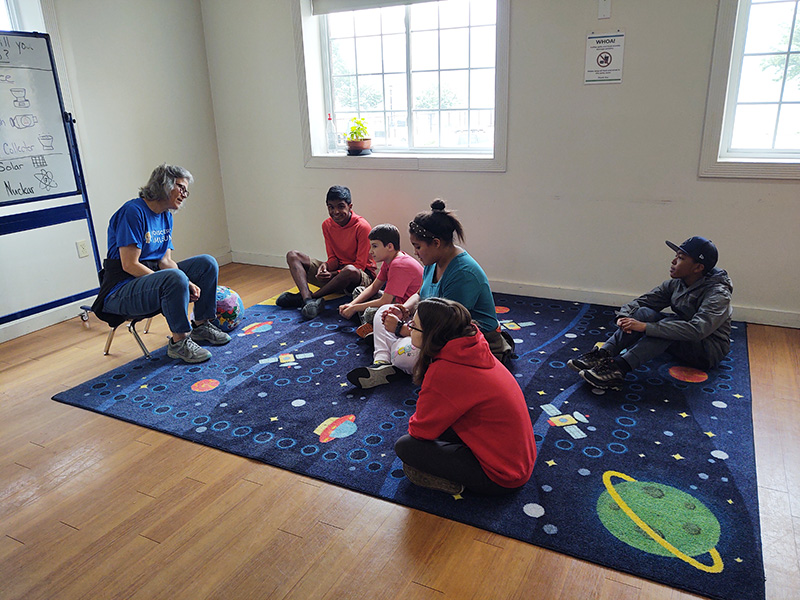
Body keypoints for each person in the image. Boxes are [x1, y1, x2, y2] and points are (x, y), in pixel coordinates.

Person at [346, 199, 513, 389]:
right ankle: (382, 363)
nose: (415, 252)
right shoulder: (433, 261)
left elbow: (448, 331)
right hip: (429, 329)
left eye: (418, 246)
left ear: (436, 243)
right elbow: (420, 294)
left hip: (464, 342)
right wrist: (403, 309)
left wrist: (401, 328)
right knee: (384, 310)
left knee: (404, 354)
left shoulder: (463, 274)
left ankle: (389, 351)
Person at [393, 298, 536, 495]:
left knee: (406, 447)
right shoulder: (473, 347)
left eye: (414, 326)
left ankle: (456, 484)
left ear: (432, 334)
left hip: (502, 476)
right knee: (440, 426)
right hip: (518, 460)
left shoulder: (445, 371)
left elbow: (419, 431)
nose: (409, 329)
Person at [91, 164, 231, 364]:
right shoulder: (132, 212)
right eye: (181, 187)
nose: (184, 194)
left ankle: (201, 325)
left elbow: (165, 261)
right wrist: (178, 280)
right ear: (164, 185)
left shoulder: (166, 215)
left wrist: (188, 282)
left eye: (186, 190)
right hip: (121, 289)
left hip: (153, 279)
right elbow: (129, 265)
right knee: (175, 277)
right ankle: (179, 342)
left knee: (206, 263)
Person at [568, 237, 733, 390]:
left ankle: (618, 368)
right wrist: (624, 317)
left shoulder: (718, 294)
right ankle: (605, 353)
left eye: (681, 258)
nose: (673, 261)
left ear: (698, 267)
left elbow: (698, 330)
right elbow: (641, 303)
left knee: (664, 327)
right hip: (682, 340)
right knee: (643, 313)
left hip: (707, 350)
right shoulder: (676, 283)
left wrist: (645, 327)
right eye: (676, 256)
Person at [276, 185, 376, 320]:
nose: (335, 211)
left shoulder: (362, 226)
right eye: (331, 207)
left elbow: (359, 266)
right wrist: (326, 267)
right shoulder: (327, 225)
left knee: (350, 270)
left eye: (341, 206)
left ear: (350, 206)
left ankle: (311, 297)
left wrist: (333, 273)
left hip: (359, 277)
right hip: (337, 275)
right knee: (293, 255)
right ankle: (307, 300)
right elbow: (333, 258)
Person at [338, 223, 423, 338]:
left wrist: (354, 308)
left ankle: (372, 329)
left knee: (370, 313)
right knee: (359, 291)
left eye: (375, 246)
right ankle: (369, 326)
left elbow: (385, 301)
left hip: (408, 309)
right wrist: (351, 304)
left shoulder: (399, 265)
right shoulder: (389, 260)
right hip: (395, 300)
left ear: (389, 247)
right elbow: (374, 287)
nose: (370, 251)